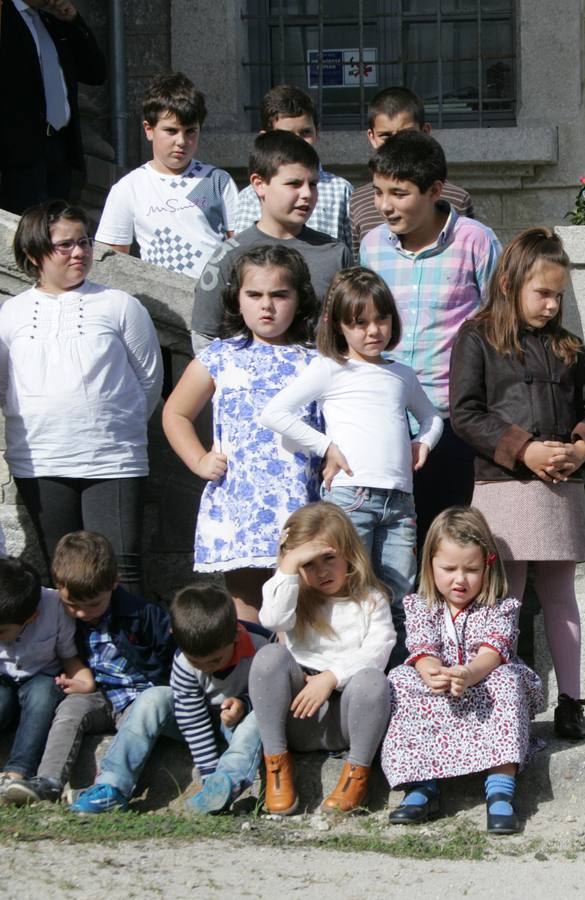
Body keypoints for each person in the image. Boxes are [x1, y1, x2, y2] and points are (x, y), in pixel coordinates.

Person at [450, 227, 585, 740]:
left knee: (561, 592)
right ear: (510, 283)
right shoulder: (477, 337)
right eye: (542, 293)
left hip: (561, 487)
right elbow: (466, 414)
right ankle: (501, 697)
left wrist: (579, 448)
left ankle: (570, 701)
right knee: (505, 597)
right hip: (503, 486)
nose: (550, 305)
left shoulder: (567, 345)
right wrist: (525, 449)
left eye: (559, 295)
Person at [261, 267, 443, 651]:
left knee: (397, 592)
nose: (373, 330)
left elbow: (432, 417)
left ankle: (392, 685)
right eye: (359, 322)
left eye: (381, 319)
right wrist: (325, 446)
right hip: (349, 499)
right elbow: (275, 412)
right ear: (339, 326)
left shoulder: (402, 375)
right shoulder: (331, 367)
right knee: (343, 591)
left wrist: (423, 442)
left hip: (400, 502)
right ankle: (339, 675)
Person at [0, 201, 163, 596]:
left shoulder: (121, 305)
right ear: (33, 254)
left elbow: (150, 378)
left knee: (120, 575)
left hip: (113, 460)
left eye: (85, 242)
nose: (80, 252)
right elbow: (6, 387)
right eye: (65, 245)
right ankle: (70, 657)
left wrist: (113, 427)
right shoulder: (11, 314)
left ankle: (136, 657)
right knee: (65, 580)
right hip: (40, 461)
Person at [162, 245, 322, 622]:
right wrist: (198, 459)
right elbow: (176, 412)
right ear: (238, 299)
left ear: (299, 299)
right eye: (255, 295)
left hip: (301, 499)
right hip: (242, 502)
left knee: (302, 604)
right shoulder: (221, 355)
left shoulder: (315, 359)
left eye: (279, 295)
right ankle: (251, 677)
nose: (267, 306)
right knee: (248, 604)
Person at [360, 129, 500, 545]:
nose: (385, 206)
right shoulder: (371, 246)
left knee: (448, 541)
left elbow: (500, 323)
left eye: (399, 194)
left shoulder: (476, 240)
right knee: (390, 544)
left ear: (435, 190)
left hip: (451, 419)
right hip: (385, 419)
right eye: (378, 192)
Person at [381, 507, 545, 833]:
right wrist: (431, 671)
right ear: (430, 565)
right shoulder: (422, 606)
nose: (460, 579)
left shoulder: (500, 608)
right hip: (442, 689)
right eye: (449, 568)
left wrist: (469, 674)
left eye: (470, 569)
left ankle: (500, 788)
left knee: (507, 680)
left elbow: (493, 652)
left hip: (482, 685)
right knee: (400, 679)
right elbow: (423, 648)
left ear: (486, 566)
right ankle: (422, 785)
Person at [250, 502, 394, 816]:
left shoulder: (371, 600)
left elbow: (377, 652)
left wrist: (331, 677)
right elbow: (272, 620)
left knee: (374, 680)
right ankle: (276, 764)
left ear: (349, 554)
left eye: (329, 558)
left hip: (346, 719)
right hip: (298, 717)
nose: (322, 571)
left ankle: (356, 774)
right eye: (309, 563)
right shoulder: (294, 598)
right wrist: (287, 567)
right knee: (269, 656)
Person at [39, 532, 176, 814]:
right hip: (100, 694)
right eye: (72, 605)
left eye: (92, 605)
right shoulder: (64, 619)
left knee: (140, 721)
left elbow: (171, 656)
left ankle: (112, 788)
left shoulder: (143, 614)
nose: (80, 613)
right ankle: (49, 781)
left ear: (114, 584)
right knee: (70, 710)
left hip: (140, 696)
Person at [190, 130, 351, 354]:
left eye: (313, 184)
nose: (306, 194)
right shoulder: (229, 254)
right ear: (259, 184)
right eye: (294, 184)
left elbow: (351, 330)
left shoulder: (335, 253)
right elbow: (204, 336)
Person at [95, 72, 239, 279]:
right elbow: (112, 261)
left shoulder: (217, 180)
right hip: (160, 302)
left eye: (191, 131)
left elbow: (241, 246)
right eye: (171, 131)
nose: (181, 141)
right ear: (149, 129)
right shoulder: (129, 187)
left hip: (215, 299)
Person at [169, 584, 271, 815]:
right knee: (151, 699)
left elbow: (276, 691)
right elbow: (192, 720)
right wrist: (208, 773)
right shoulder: (183, 663)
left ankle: (228, 780)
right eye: (197, 663)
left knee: (255, 723)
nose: (206, 669)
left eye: (215, 661)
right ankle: (214, 787)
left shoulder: (262, 644)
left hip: (244, 717)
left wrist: (245, 703)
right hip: (204, 720)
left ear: (235, 635)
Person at [0, 556, 93, 803]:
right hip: (3, 678)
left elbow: (69, 656)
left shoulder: (55, 608)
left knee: (42, 696)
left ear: (31, 617)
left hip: (41, 675)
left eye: (2, 632)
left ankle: (17, 775)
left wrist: (84, 682)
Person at [0, 0, 106, 214]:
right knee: (29, 234)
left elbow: (95, 72)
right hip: (18, 155)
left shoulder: (51, 21)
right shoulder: (5, 16)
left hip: (60, 148)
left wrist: (74, 21)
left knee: (56, 233)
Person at [230, 84, 353, 252]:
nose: (298, 142)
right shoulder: (251, 195)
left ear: (317, 132)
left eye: (305, 132)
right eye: (286, 135)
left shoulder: (340, 190)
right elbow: (243, 252)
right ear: (266, 138)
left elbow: (351, 254)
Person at [349, 87, 474, 249]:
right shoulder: (359, 201)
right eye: (386, 135)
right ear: (371, 137)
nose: (397, 143)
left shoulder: (457, 198)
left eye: (406, 134)